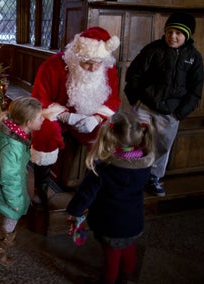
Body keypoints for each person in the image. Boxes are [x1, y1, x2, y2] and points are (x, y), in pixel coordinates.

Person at [30, 26, 122, 214]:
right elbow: (39, 99)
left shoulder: (106, 67)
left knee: (107, 136)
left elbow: (113, 99)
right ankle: (41, 189)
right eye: (87, 63)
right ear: (76, 57)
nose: (93, 68)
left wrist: (96, 118)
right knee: (45, 131)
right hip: (57, 115)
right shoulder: (52, 65)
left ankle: (93, 188)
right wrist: (65, 116)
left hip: (90, 116)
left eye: (98, 63)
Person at [66, 111, 155, 284]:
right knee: (129, 251)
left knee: (111, 259)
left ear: (111, 136)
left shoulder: (103, 168)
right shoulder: (145, 164)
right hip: (134, 222)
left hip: (110, 225)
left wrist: (74, 212)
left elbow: (86, 194)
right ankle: (125, 277)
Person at [124, 12, 204, 196]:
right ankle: (129, 173)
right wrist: (136, 99)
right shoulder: (153, 50)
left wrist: (180, 113)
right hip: (144, 106)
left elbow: (195, 90)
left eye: (178, 33)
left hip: (171, 112)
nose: (173, 36)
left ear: (188, 35)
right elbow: (134, 74)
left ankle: (154, 177)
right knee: (134, 140)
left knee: (162, 145)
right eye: (169, 31)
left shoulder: (194, 57)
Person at [0, 96, 44, 266]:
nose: (43, 120)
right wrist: (16, 202)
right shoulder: (12, 146)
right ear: (27, 122)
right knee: (12, 212)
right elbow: (8, 178)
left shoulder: (12, 128)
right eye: (40, 117)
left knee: (5, 209)